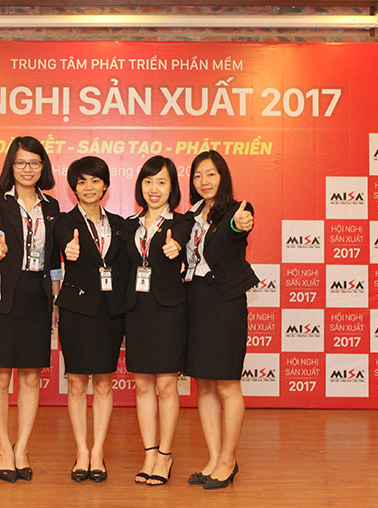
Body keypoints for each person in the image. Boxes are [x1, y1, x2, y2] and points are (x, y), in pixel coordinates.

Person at [0, 136, 61, 483]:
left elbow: (54, 260)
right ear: (11, 166)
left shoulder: (52, 206)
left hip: (36, 297)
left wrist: (54, 302)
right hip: (2, 296)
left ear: (43, 167)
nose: (28, 169)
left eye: (34, 162)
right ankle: (3, 447)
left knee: (31, 377)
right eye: (21, 162)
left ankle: (22, 447)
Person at [116, 155, 193, 486]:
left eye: (162, 182)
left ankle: (165, 454)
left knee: (166, 384)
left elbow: (186, 246)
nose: (154, 188)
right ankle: (149, 453)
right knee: (143, 384)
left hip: (168, 311)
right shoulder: (128, 226)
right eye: (148, 181)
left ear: (172, 187)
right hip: (137, 311)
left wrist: (178, 249)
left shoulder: (183, 223)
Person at [182, 150, 256, 490]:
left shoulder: (237, 210)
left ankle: (229, 459)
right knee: (204, 384)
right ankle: (213, 459)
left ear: (222, 177)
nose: (204, 181)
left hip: (225, 303)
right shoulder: (190, 216)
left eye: (210, 174)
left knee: (227, 383)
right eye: (198, 175)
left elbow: (238, 227)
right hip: (195, 301)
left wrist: (241, 224)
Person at [52, 156, 126, 483]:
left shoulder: (120, 224)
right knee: (77, 382)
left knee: (105, 382)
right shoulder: (64, 222)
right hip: (77, 311)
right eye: (81, 182)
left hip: (110, 311)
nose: (89, 187)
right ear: (74, 188)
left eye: (95, 180)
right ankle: (81, 451)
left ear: (105, 185)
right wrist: (68, 250)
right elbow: (62, 246)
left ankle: (98, 451)